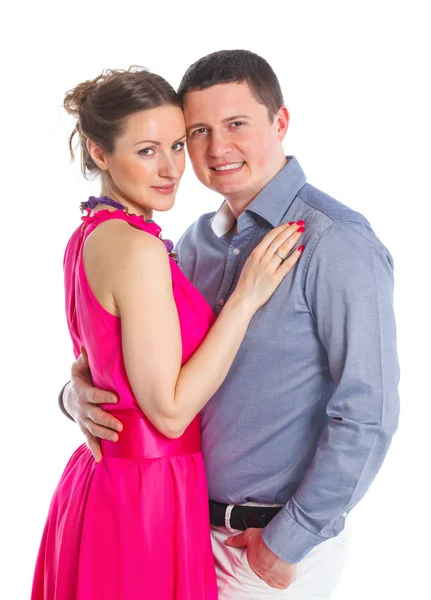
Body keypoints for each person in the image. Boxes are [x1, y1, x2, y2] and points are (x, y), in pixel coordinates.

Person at [59, 50, 400, 599]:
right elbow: (138, 363)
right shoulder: (192, 244)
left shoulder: (335, 242)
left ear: (280, 122)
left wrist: (290, 540)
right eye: (197, 131)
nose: (217, 148)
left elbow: (368, 411)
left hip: (264, 543)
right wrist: (77, 395)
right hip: (180, 524)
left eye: (236, 124)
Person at [32, 66, 305, 600]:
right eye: (147, 150)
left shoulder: (94, 233)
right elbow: (171, 410)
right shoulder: (137, 248)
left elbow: (104, 363)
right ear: (100, 153)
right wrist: (245, 299)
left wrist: (73, 393)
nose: (172, 168)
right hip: (144, 494)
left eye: (177, 145)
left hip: (111, 479)